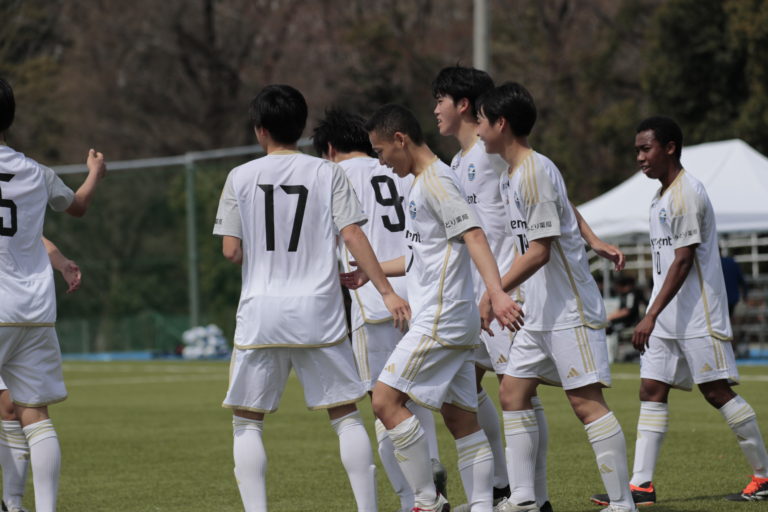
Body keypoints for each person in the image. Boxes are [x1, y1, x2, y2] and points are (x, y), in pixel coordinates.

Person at [213, 85, 410, 512]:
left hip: (261, 312)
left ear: (260, 129)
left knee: (247, 422)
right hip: (319, 311)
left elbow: (231, 251)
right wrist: (386, 290)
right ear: (301, 128)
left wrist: (261, 257)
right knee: (345, 416)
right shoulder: (327, 173)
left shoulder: (239, 177)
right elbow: (352, 234)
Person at [342, 103, 524, 512]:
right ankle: (481, 506)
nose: (381, 162)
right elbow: (420, 255)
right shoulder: (422, 182)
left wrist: (496, 292)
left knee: (384, 401)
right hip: (452, 319)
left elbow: (474, 235)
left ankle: (427, 501)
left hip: (441, 318)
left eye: (381, 151)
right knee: (461, 419)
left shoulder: (437, 181)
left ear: (400, 140)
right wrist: (372, 272)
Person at [590, 116, 768, 506]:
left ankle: (764, 475)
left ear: (670, 148)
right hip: (667, 317)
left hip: (698, 315)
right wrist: (656, 315)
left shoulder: (687, 194)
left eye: (646, 149)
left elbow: (683, 261)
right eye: (637, 150)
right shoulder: (660, 196)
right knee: (651, 389)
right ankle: (641, 486)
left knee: (716, 392)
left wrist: (650, 314)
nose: (640, 157)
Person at [476, 82, 635, 512]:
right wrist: (593, 239)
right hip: (538, 311)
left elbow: (540, 251)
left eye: (482, 121)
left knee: (585, 404)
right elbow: (563, 207)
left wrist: (495, 291)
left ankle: (623, 504)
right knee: (512, 392)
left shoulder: (534, 171)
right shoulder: (513, 175)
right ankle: (524, 498)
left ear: (501, 123)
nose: (478, 130)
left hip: (569, 309)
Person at [312, 108, 448, 512]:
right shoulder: (398, 166)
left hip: (375, 302)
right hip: (420, 296)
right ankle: (438, 475)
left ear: (330, 148)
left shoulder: (331, 176)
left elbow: (336, 237)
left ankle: (414, 499)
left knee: (384, 406)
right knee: (414, 398)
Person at [0, 76, 107, 512]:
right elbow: (76, 206)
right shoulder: (36, 172)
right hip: (33, 309)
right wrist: (94, 174)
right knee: (35, 414)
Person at [0, 238, 80, 512]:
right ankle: (14, 503)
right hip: (34, 309)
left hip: (14, 305)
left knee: (21, 409)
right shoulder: (34, 204)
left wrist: (61, 262)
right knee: (25, 411)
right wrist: (62, 263)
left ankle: (12, 502)